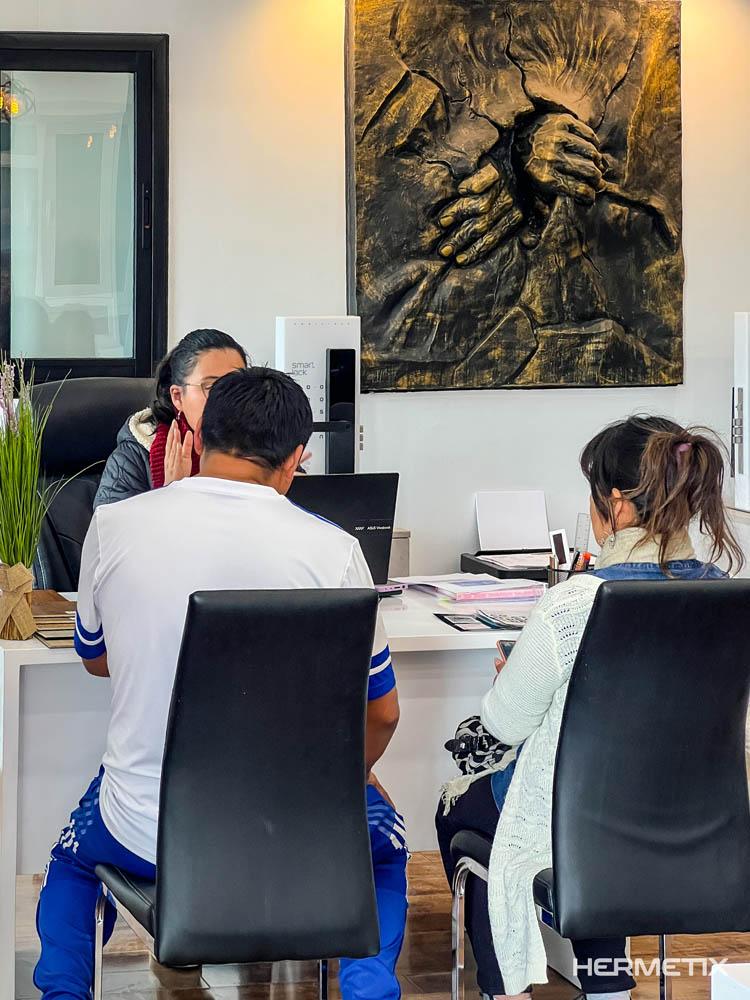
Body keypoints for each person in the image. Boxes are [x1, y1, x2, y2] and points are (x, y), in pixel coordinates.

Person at [36, 367, 407, 1000]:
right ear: (296, 458)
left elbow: (96, 659)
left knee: (73, 861)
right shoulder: (336, 551)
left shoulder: (115, 525)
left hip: (143, 831)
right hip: (297, 834)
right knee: (386, 847)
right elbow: (385, 714)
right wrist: (350, 779)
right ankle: (369, 993)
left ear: (200, 434)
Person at [435, 415, 742, 1000]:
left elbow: (502, 725)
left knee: (463, 812)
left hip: (578, 819)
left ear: (617, 504)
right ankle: (608, 988)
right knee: (601, 813)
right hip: (691, 821)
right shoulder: (726, 595)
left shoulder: (573, 604)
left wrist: (515, 678)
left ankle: (505, 990)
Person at [93, 328, 248, 508]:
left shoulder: (261, 445)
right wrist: (171, 494)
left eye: (237, 386)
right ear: (177, 397)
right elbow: (111, 525)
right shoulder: (133, 458)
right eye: (211, 387)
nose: (228, 398)